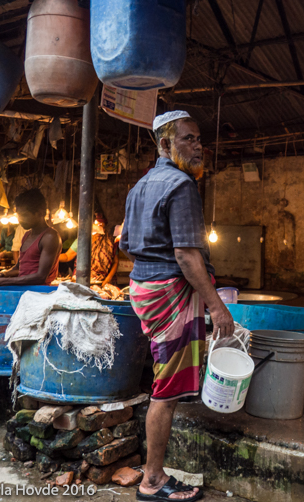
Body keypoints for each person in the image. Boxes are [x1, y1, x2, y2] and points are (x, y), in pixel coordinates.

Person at [120, 110, 233, 502]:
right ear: (165, 144)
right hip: (169, 290)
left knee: (164, 380)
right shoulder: (181, 185)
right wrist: (216, 306)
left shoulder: (141, 185)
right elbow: (186, 256)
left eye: (199, 138)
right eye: (188, 139)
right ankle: (152, 480)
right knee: (165, 389)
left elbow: (126, 243)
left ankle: (153, 472)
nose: (198, 145)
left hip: (143, 288)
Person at [0, 189, 62, 287]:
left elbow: (41, 277)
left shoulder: (50, 237)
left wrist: (0, 282)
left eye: (24, 215)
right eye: (18, 215)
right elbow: (19, 268)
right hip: (23, 289)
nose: (20, 220)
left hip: (38, 293)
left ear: (40, 213)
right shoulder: (27, 235)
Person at [59, 213, 118, 285]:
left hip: (101, 280)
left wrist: (108, 278)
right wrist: (53, 258)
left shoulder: (110, 241)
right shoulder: (82, 239)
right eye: (96, 223)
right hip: (81, 279)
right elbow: (67, 256)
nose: (98, 225)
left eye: (101, 224)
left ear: (105, 224)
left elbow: (116, 262)